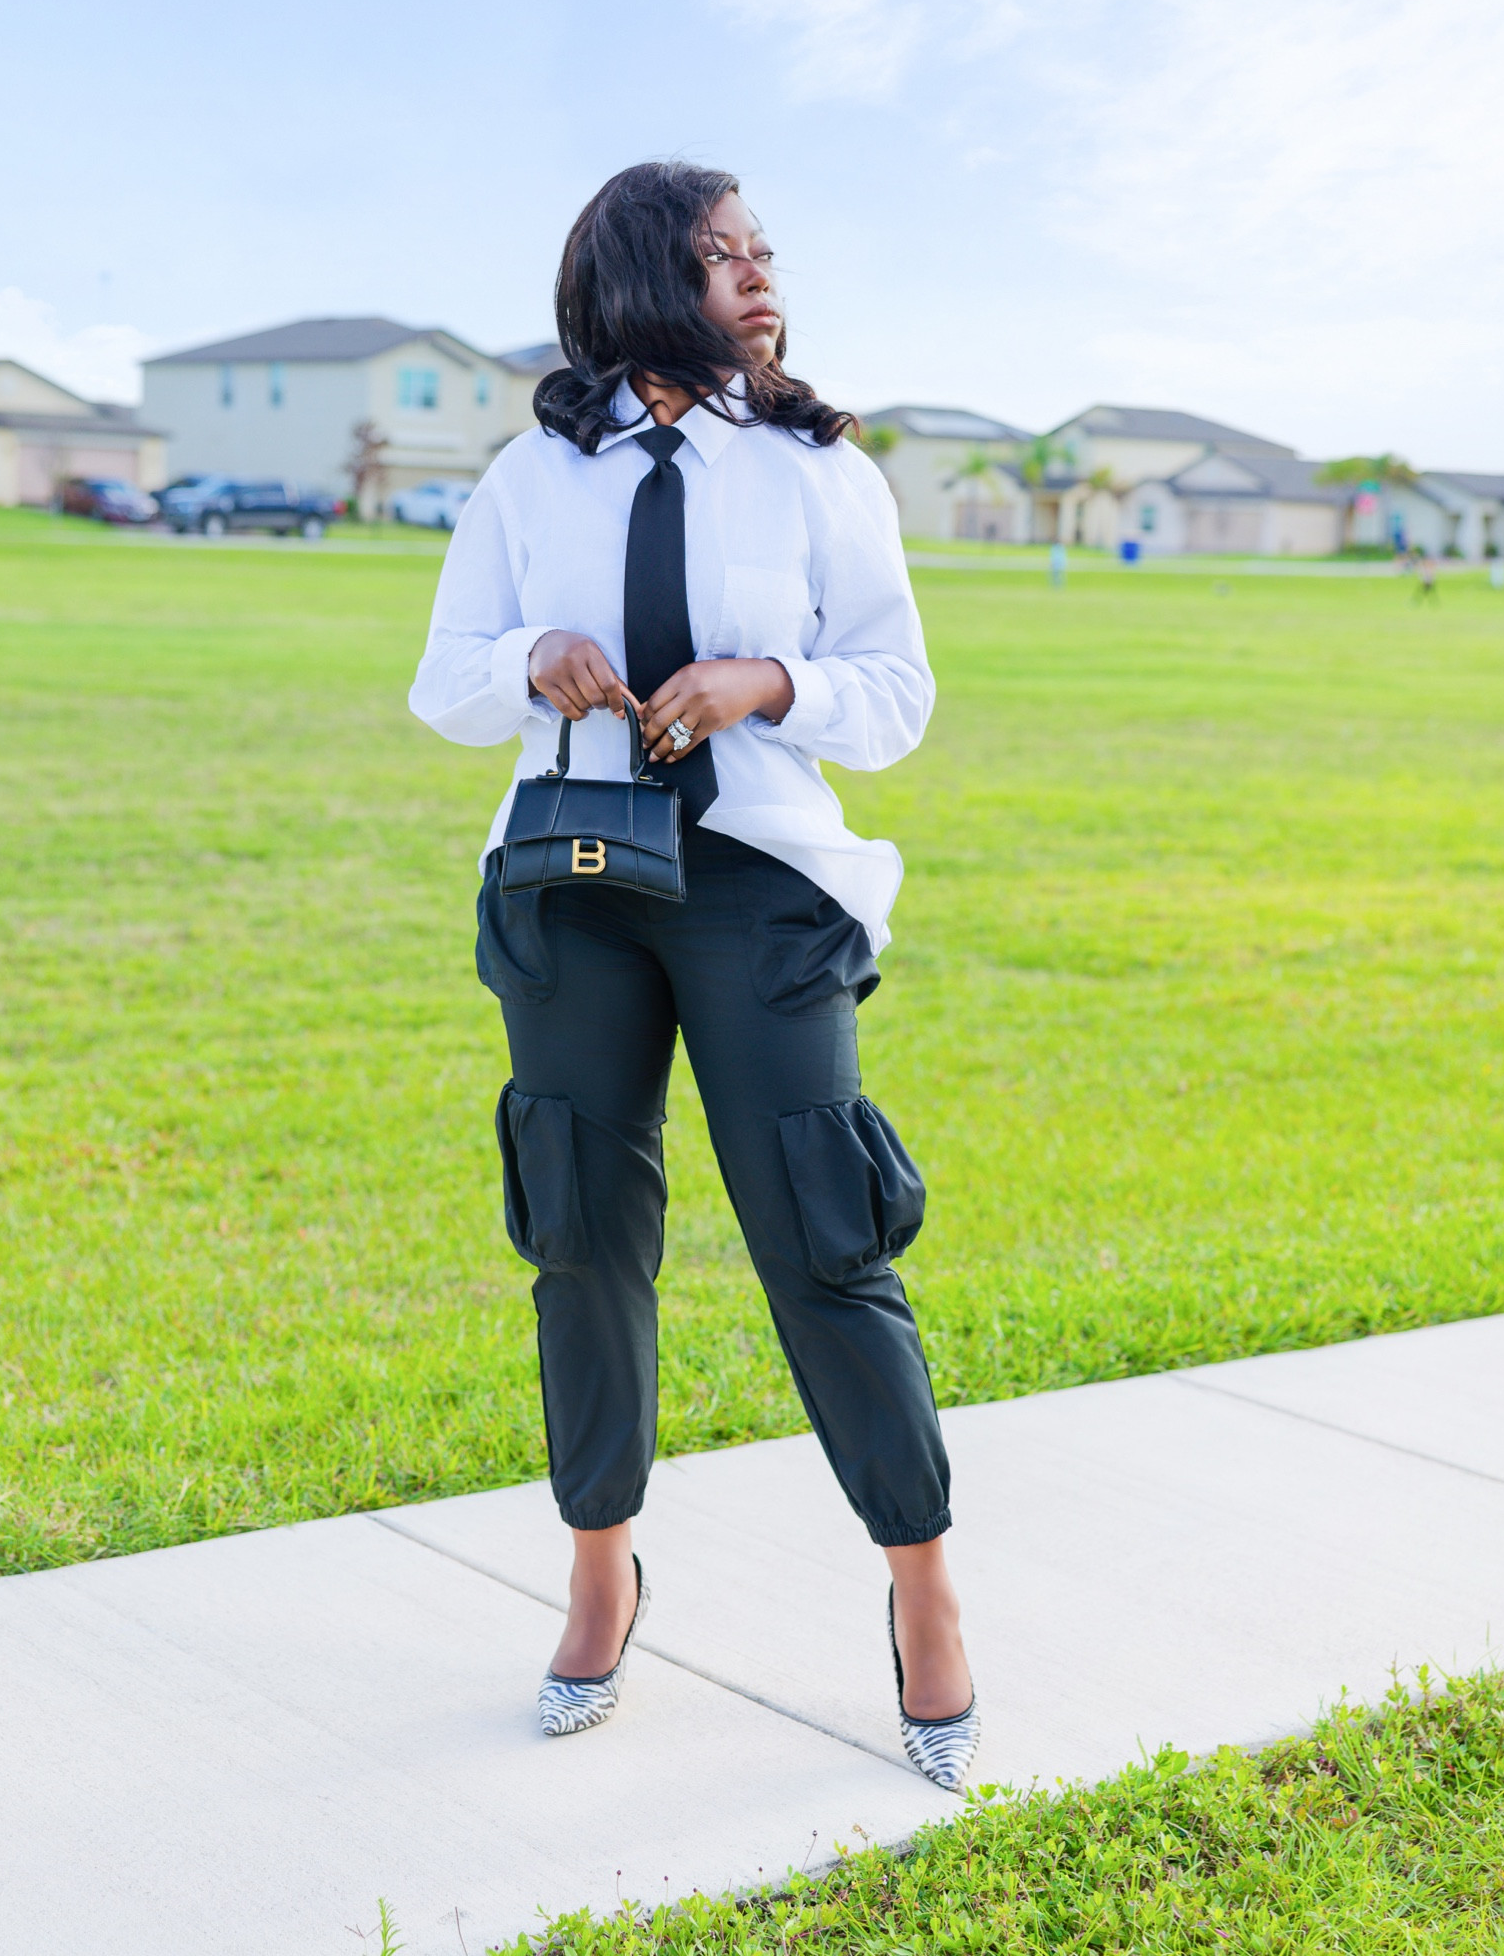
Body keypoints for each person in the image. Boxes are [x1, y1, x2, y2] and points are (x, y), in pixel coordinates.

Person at [409, 161, 978, 1790]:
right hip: (573, 886)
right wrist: (530, 658)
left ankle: (924, 1592)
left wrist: (767, 682)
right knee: (582, 1238)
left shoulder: (815, 469)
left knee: (824, 1234)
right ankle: (602, 1578)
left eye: (763, 251)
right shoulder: (535, 473)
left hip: (759, 887)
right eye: (721, 253)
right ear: (642, 279)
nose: (757, 275)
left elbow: (897, 692)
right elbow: (445, 681)